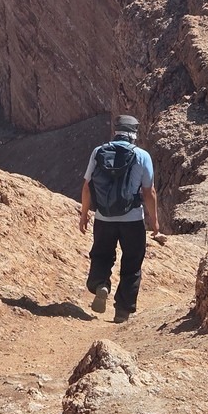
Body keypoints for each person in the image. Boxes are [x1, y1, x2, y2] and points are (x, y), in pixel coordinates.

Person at [79, 114, 159, 323]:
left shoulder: (98, 152)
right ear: (134, 134)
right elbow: (149, 192)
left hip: (103, 218)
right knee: (132, 263)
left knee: (101, 255)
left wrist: (84, 214)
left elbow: (87, 186)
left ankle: (101, 284)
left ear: (116, 131)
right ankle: (122, 311)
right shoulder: (142, 155)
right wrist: (154, 220)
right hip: (132, 220)